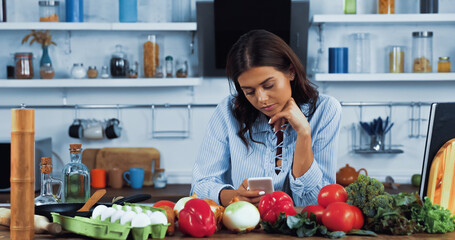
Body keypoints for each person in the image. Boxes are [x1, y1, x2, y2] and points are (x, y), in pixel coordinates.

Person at [191, 30, 342, 207]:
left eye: (268, 85)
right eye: (250, 92)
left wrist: (303, 132)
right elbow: (199, 187)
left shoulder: (326, 110)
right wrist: (234, 196)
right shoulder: (227, 111)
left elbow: (317, 202)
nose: (261, 99)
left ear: (291, 72)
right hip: (246, 231)